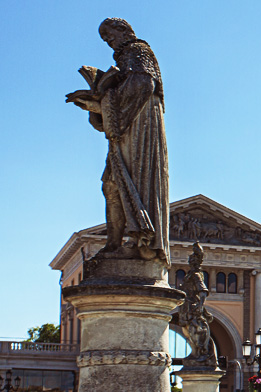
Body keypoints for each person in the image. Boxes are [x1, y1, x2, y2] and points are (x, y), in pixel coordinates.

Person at [67, 18, 169, 263]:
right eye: (105, 39)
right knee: (111, 184)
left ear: (123, 30)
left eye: (110, 36)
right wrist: (98, 102)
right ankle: (114, 244)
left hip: (138, 126)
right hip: (127, 125)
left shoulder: (138, 50)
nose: (109, 42)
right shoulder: (127, 57)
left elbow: (143, 83)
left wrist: (102, 98)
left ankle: (139, 239)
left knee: (128, 182)